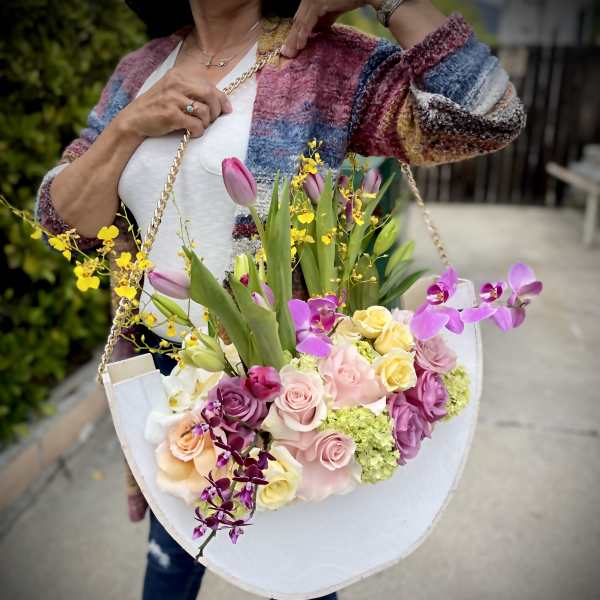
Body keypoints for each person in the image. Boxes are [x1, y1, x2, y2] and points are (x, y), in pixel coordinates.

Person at [36, 0, 525, 598]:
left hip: (280, 376)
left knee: (298, 573)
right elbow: (65, 221)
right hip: (162, 366)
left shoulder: (324, 61)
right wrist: (127, 126)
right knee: (172, 558)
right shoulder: (141, 70)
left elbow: (489, 117)